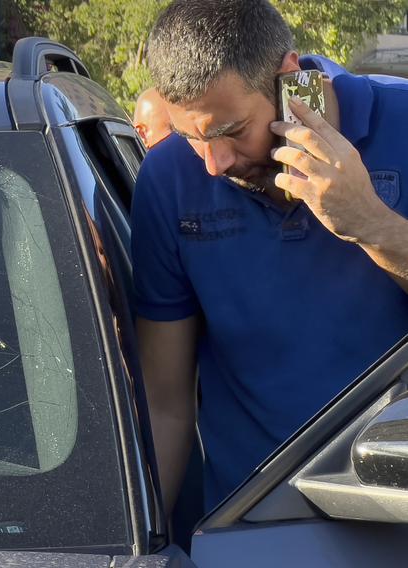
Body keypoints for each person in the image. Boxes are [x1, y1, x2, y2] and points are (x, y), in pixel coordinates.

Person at [133, 0, 408, 514]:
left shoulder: (403, 122)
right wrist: (143, 542)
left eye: (231, 132)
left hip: (394, 513)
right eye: (192, 137)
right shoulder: (168, 179)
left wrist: (371, 224)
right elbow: (166, 404)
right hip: (248, 525)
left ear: (289, 77)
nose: (213, 165)